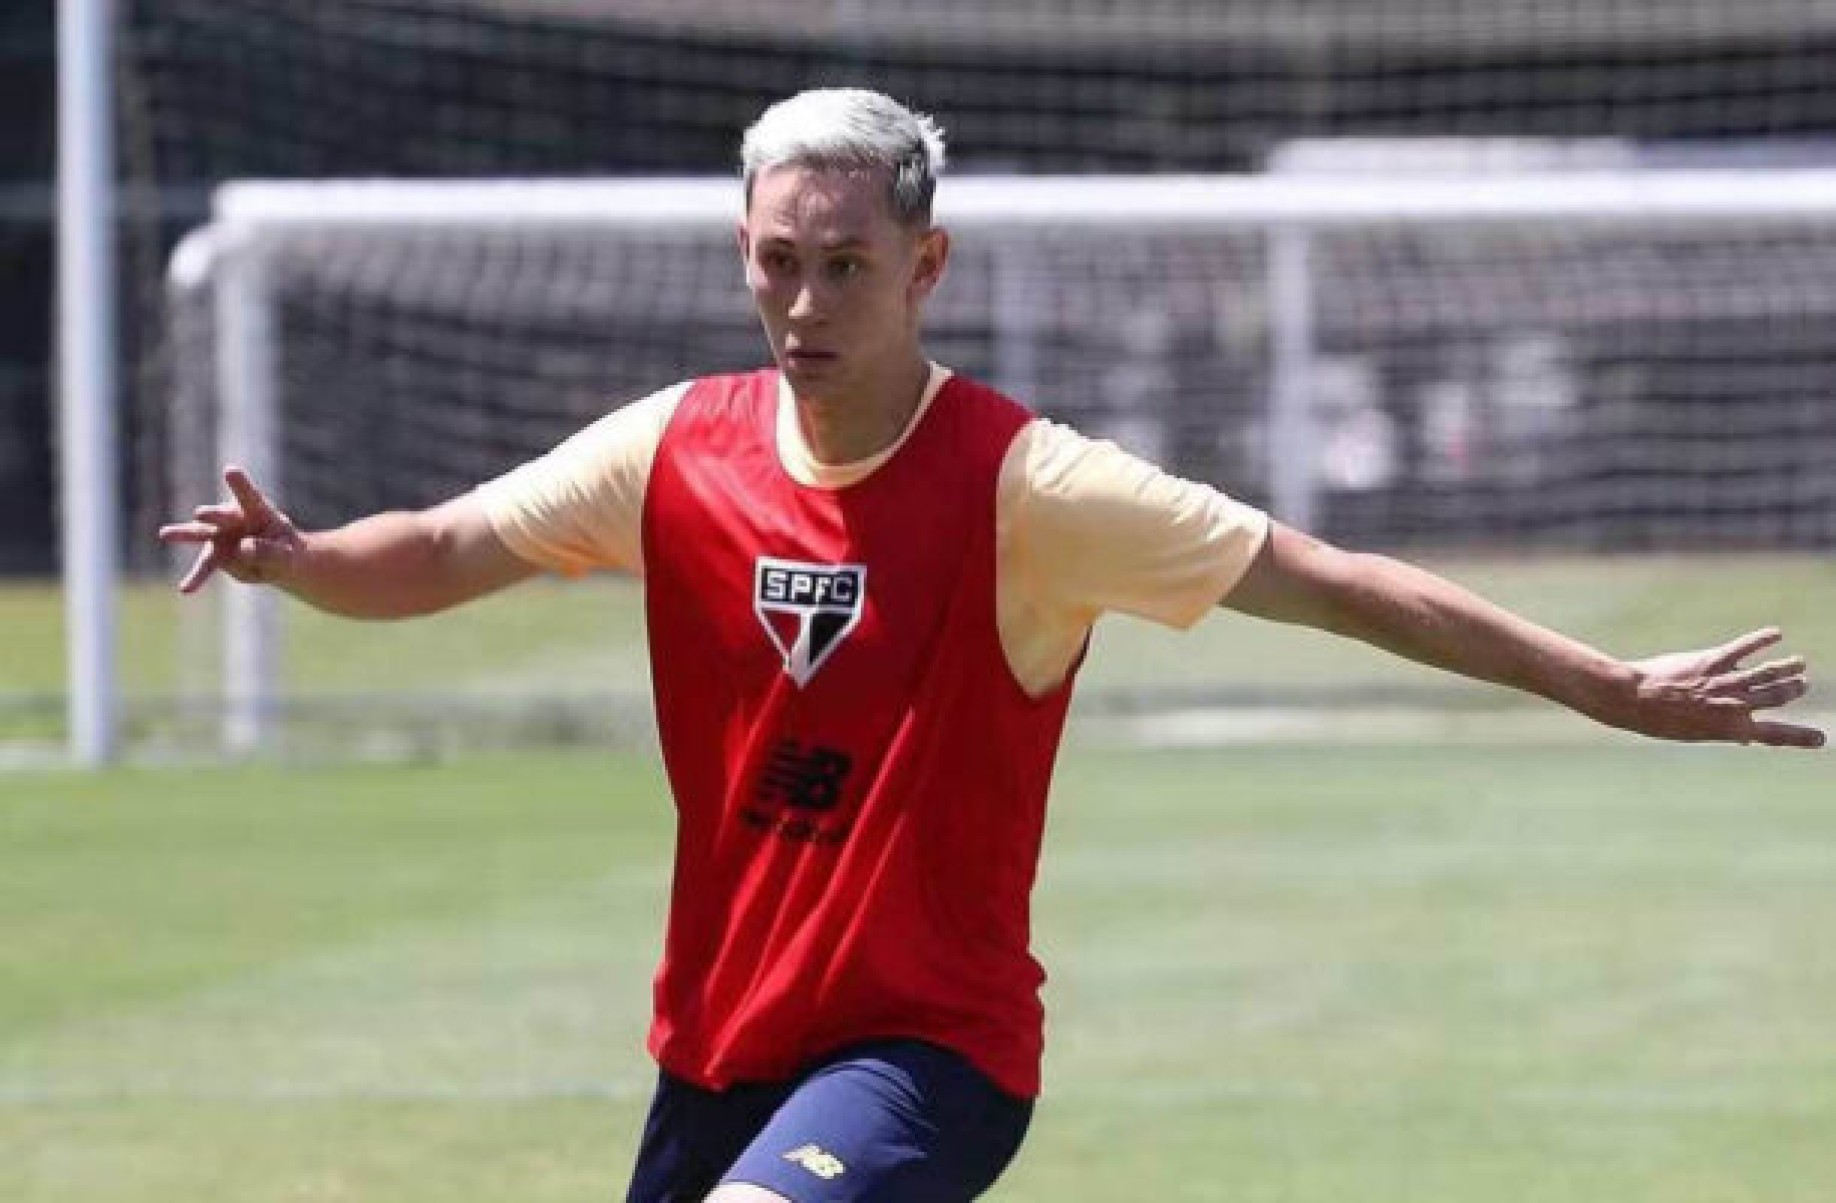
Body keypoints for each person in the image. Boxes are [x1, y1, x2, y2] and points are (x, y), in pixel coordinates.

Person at [160, 88, 1823, 1203]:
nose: (805, 305)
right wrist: (304, 561)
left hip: (930, 1055)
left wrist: (1606, 686)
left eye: (847, 269)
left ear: (926, 266)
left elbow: (1329, 579)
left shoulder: (1034, 485)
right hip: (717, 1043)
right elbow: (447, 549)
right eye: (777, 266)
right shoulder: (673, 448)